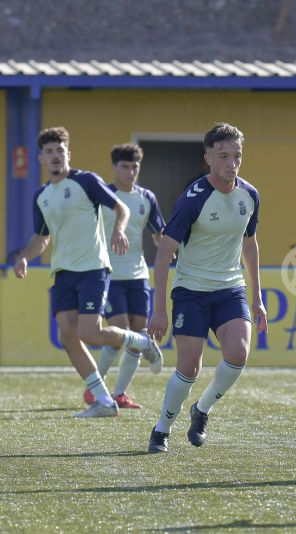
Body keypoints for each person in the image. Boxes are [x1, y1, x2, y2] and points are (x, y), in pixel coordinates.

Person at [13, 127, 163, 418]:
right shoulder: (41, 196)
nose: (55, 156)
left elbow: (121, 208)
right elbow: (41, 237)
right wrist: (24, 258)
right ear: (40, 158)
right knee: (69, 336)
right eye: (49, 151)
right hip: (62, 273)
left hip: (93, 268)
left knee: (90, 333)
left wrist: (119, 229)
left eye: (60, 150)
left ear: (69, 154)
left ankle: (142, 341)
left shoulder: (85, 180)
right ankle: (104, 401)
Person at [146, 122, 267, 453]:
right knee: (189, 367)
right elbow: (163, 254)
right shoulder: (193, 199)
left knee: (239, 353)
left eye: (237, 156)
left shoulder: (250, 195)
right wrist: (158, 308)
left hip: (230, 289)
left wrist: (257, 299)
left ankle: (202, 410)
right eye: (224, 156)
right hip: (191, 291)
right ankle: (162, 429)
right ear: (208, 159)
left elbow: (250, 245)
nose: (232, 163)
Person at [82, 143, 166, 409]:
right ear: (114, 167)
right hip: (108, 273)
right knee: (122, 332)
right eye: (125, 167)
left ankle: (119, 393)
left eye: (135, 167)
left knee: (138, 333)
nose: (131, 172)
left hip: (138, 274)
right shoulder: (103, 196)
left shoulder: (146, 198)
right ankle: (95, 387)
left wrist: (169, 248)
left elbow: (158, 233)